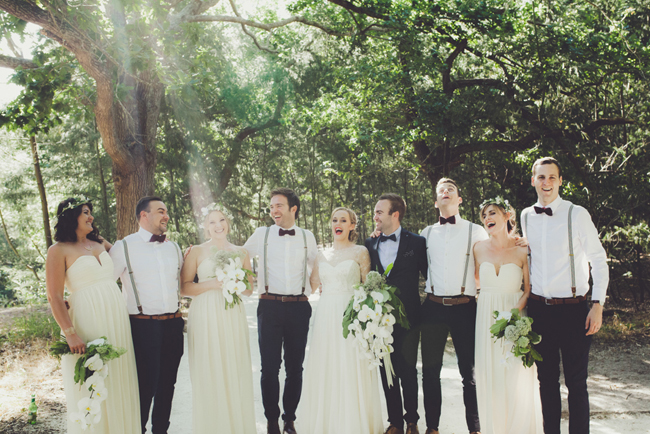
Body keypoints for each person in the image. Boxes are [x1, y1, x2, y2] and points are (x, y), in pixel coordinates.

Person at [522, 157, 609, 434]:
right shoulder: (525, 216)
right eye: (541, 177)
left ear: (560, 181)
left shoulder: (577, 214)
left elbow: (598, 259)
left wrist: (597, 304)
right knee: (546, 382)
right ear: (533, 180)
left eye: (551, 177)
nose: (546, 183)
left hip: (574, 310)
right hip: (539, 310)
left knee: (576, 382)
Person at [46, 197, 140, 433]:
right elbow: (54, 297)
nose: (91, 217)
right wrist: (70, 334)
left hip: (115, 316)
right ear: (71, 217)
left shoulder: (99, 242)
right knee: (93, 380)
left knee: (118, 377)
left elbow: (132, 256)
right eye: (86, 212)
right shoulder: (57, 250)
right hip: (87, 318)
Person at [297, 207, 384, 434]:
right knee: (327, 365)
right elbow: (312, 285)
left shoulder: (360, 252)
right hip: (326, 315)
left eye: (343, 220)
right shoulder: (321, 254)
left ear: (352, 226)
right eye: (335, 220)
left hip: (352, 315)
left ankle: (353, 424)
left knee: (351, 365)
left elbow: (367, 286)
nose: (338, 223)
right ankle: (327, 424)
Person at [244, 188, 319, 434]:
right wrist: (248, 281)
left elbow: (319, 268)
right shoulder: (261, 234)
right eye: (271, 206)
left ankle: (289, 419)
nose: (273, 210)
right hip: (270, 306)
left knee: (295, 367)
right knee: (269, 367)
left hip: (299, 307)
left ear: (293, 208)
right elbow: (239, 255)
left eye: (278, 206)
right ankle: (271, 420)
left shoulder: (308, 236)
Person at [110, 196, 184, 434]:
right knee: (145, 385)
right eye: (161, 211)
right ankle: (137, 429)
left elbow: (182, 283)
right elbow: (105, 285)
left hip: (173, 325)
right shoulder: (124, 246)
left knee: (167, 385)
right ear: (144, 215)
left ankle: (161, 430)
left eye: (166, 211)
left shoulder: (173, 247)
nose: (166, 216)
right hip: (143, 326)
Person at [419, 178, 487, 434]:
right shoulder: (425, 234)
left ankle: (475, 429)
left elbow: (494, 251)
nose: (446, 192)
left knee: (469, 374)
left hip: (465, 307)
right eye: (441, 191)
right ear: (436, 202)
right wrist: (378, 234)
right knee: (430, 372)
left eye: (451, 190)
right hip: (433, 307)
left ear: (459, 200)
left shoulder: (476, 231)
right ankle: (432, 428)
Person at [180, 207, 256, 434]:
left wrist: (235, 281)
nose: (217, 225)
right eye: (211, 222)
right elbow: (184, 287)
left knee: (233, 365)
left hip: (231, 314)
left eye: (221, 220)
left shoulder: (241, 252)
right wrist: (213, 283)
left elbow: (250, 290)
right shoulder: (196, 251)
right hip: (204, 313)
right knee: (209, 368)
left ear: (228, 223)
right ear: (205, 227)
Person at [473, 198, 543, 434]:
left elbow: (529, 288)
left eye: (492, 213)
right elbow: (476, 282)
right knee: (489, 374)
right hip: (486, 316)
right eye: (483, 215)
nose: (487, 218)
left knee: (515, 375)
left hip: (515, 315)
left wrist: (515, 312)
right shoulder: (478, 248)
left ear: (507, 215)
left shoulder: (523, 248)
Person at [366, 193, 428, 434]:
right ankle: (395, 422)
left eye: (380, 212)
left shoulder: (417, 242)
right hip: (380, 321)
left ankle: (412, 419)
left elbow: (429, 277)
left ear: (395, 214)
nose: (375, 216)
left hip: (410, 318)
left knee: (408, 370)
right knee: (386, 370)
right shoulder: (370, 243)